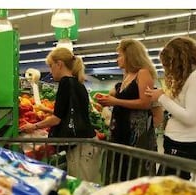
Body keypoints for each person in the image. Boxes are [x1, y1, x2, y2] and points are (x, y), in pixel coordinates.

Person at [145, 36, 196, 180]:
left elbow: (190, 117)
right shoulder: (195, 76)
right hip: (180, 144)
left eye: (169, 63)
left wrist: (161, 98)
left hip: (183, 146)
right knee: (171, 189)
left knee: (168, 191)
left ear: (179, 59)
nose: (169, 69)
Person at [19, 47, 98, 182]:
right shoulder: (77, 83)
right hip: (87, 143)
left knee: (81, 187)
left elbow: (57, 119)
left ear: (59, 64)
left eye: (51, 66)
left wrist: (34, 126)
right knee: (87, 183)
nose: (50, 71)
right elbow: (70, 112)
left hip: (80, 146)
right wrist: (48, 110)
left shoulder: (65, 82)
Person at [97, 39, 158, 184]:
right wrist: (107, 100)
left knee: (134, 173)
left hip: (135, 135)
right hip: (120, 131)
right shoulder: (126, 76)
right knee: (119, 172)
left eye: (120, 55)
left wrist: (115, 101)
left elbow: (145, 103)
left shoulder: (143, 73)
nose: (117, 59)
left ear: (130, 55)